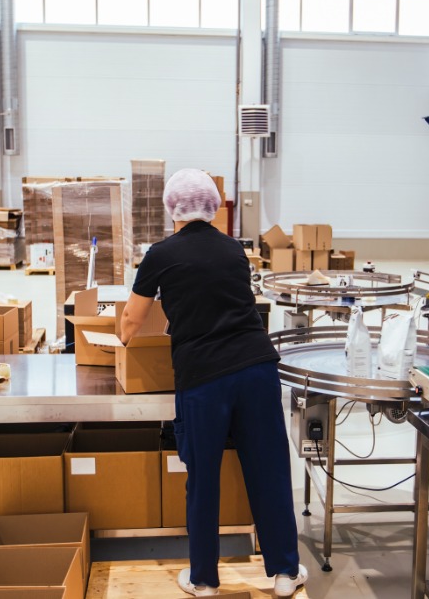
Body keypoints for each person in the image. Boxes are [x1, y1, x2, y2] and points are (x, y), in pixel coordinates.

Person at [120, 169, 307, 597]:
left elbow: (132, 319)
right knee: (270, 471)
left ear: (173, 210)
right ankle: (283, 573)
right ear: (213, 208)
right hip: (257, 369)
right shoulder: (233, 250)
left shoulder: (160, 255)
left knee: (203, 477)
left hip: (203, 378)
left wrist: (120, 340)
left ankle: (203, 579)